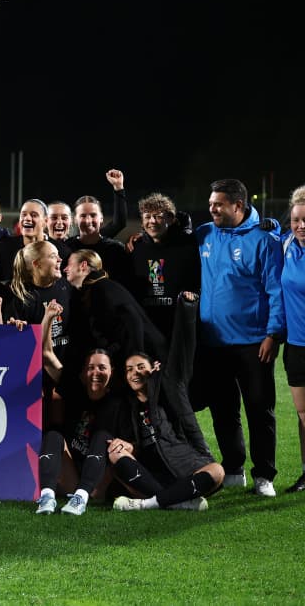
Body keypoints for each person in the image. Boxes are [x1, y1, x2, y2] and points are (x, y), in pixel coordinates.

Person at [192, 178, 285, 496]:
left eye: (218, 204)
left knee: (260, 409)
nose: (212, 208)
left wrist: (273, 334)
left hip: (253, 342)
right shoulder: (205, 233)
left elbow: (275, 290)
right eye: (210, 203)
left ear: (238, 206)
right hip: (214, 342)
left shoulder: (264, 240)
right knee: (223, 410)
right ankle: (234, 468)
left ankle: (264, 475)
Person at [102, 293, 224, 511]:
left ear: (154, 368)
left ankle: (146, 504)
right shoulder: (126, 405)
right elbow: (134, 445)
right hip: (151, 474)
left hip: (186, 465)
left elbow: (182, 351)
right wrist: (130, 445)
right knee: (114, 452)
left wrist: (186, 309)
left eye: (140, 367)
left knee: (217, 471)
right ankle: (178, 501)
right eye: (129, 369)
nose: (135, 373)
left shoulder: (171, 389)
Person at [35, 301, 112, 515]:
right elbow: (46, 354)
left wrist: (102, 487)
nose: (96, 372)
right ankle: (47, 497)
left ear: (112, 372)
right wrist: (48, 318)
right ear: (82, 373)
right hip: (71, 470)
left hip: (97, 476)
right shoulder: (74, 386)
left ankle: (82, 498)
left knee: (103, 437)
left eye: (102, 368)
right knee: (53, 435)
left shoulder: (118, 400)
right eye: (90, 368)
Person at [63, 249, 166, 372]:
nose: (65, 269)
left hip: (150, 362)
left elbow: (133, 319)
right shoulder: (99, 287)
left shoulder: (101, 289)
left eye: (69, 264)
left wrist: (135, 362)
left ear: (83, 265)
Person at [128, 192, 201, 341]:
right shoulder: (135, 248)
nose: (152, 221)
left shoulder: (189, 246)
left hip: (180, 328)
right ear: (142, 222)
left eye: (158, 216)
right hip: (148, 329)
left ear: (171, 219)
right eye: (147, 216)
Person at [280, 186, 305, 492]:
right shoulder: (286, 245)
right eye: (296, 220)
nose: (301, 226)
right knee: (302, 415)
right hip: (296, 345)